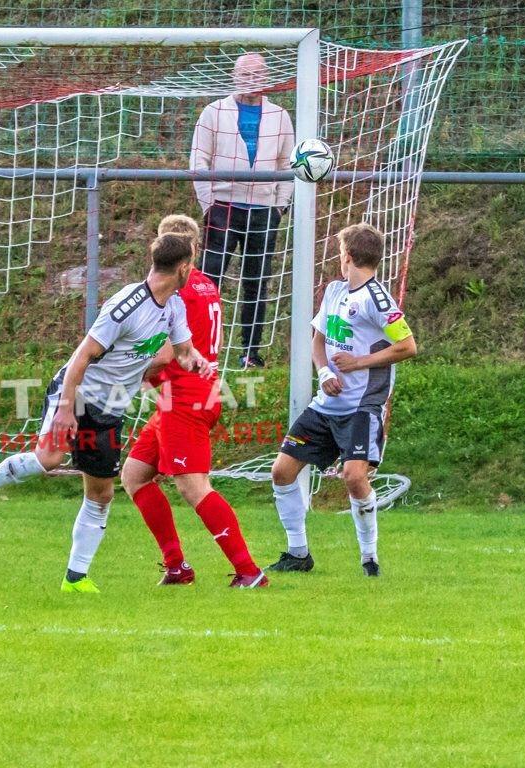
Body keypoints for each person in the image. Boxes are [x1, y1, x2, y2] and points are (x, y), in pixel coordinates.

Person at [0, 233, 214, 593]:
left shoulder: (175, 305)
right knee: (48, 459)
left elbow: (181, 352)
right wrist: (63, 408)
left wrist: (196, 360)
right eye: (192, 264)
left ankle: (75, 578)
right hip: (76, 393)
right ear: (183, 268)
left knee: (101, 493)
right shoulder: (127, 305)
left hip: (110, 406)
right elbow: (82, 355)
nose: (193, 270)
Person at [121, 215, 267, 589]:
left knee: (193, 486)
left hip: (184, 395)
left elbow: (166, 352)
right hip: (192, 392)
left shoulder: (177, 293)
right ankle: (177, 566)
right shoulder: (205, 285)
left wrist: (127, 375)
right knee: (135, 475)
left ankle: (249, 571)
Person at [266, 223, 417, 577]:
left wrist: (359, 362)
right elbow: (317, 342)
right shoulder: (334, 291)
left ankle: (369, 559)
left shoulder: (378, 300)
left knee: (353, 477)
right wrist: (325, 373)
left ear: (346, 256)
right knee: (282, 472)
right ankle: (298, 554)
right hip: (325, 405)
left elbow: (408, 346)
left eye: (340, 252)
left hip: (362, 408)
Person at [190, 52, 294, 370]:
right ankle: (201, 350)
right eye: (246, 74)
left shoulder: (280, 116)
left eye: (258, 74)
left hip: (264, 211)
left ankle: (251, 354)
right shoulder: (214, 112)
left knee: (256, 283)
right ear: (234, 77)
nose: (252, 79)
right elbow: (199, 161)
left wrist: (279, 206)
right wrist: (210, 205)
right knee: (209, 281)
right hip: (223, 207)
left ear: (267, 77)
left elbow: (287, 164)